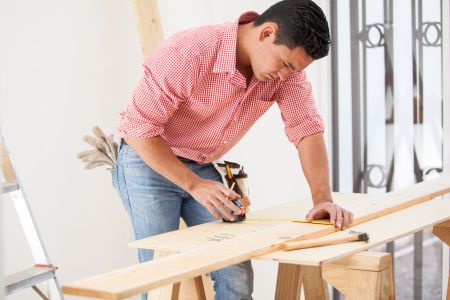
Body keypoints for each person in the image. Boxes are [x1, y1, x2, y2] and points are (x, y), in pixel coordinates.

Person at [112, 0, 353, 299]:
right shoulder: (190, 52)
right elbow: (138, 129)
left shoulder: (286, 75)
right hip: (146, 161)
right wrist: (194, 184)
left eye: (294, 70)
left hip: (200, 163)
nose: (286, 76)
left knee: (235, 270)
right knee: (162, 276)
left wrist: (323, 200)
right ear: (266, 33)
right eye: (287, 64)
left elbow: (306, 128)